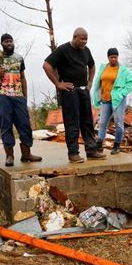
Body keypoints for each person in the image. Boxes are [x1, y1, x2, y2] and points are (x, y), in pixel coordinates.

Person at [43, 27, 106, 163]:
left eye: (86, 39)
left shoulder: (86, 51)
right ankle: (73, 153)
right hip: (70, 91)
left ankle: (91, 150)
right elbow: (47, 65)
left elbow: (92, 65)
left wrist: (90, 82)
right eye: (82, 39)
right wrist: (58, 84)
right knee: (72, 123)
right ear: (75, 37)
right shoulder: (63, 50)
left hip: (83, 90)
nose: (85, 41)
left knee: (87, 121)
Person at [0, 33, 41, 166]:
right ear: (2, 44)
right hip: (3, 97)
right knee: (5, 125)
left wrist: (25, 97)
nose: (9, 44)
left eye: (11, 41)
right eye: (6, 42)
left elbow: (23, 77)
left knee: (25, 125)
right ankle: (9, 156)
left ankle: (26, 154)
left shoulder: (19, 58)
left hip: (18, 97)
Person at [92, 48, 132, 155]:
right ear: (108, 57)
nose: (113, 59)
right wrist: (97, 95)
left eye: (115, 57)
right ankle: (99, 143)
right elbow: (98, 82)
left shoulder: (123, 70)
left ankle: (116, 145)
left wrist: (122, 93)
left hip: (117, 100)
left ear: (117, 57)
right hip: (105, 99)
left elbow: (131, 82)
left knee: (118, 123)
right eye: (111, 57)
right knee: (102, 123)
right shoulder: (103, 68)